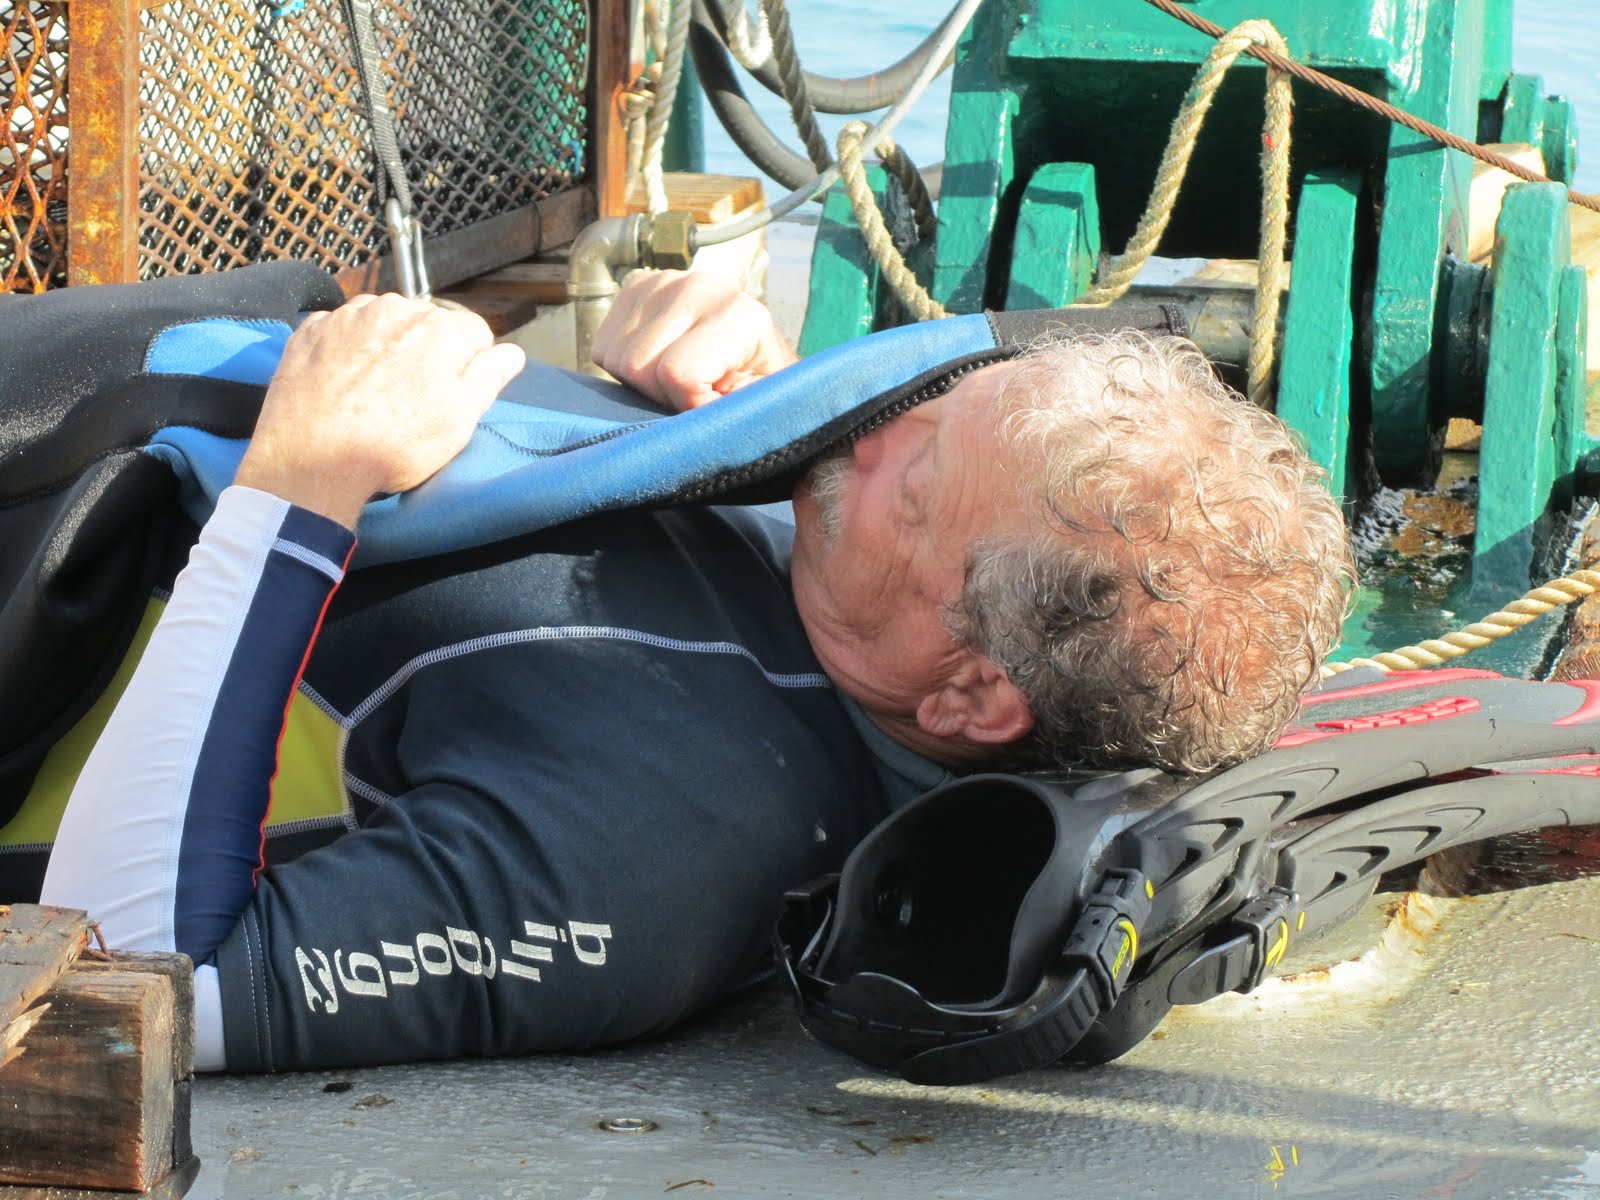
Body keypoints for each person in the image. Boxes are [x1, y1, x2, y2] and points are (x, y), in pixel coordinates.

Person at [32, 271, 1354, 1073]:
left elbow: (122, 983)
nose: (876, 429)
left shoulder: (641, 857)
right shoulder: (848, 578)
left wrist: (303, 479)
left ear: (965, 696)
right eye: (940, 394)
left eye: (921, 476)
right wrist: (725, 402)